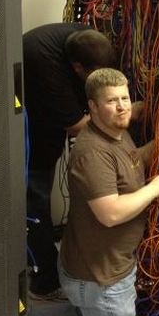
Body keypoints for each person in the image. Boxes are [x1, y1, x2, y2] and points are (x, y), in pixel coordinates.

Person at [57, 68, 159, 316]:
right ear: (93, 107)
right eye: (111, 101)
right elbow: (110, 213)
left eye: (125, 98)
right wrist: (154, 189)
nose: (122, 107)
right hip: (101, 279)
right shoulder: (93, 152)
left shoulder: (115, 133)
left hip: (106, 267)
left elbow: (131, 161)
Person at [23, 23, 116, 299]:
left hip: (44, 128)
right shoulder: (47, 65)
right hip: (30, 136)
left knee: (36, 199)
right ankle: (44, 283)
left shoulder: (90, 42)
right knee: (34, 203)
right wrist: (126, 117)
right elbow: (77, 126)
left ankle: (38, 263)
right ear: (76, 67)